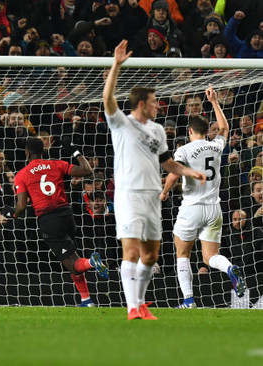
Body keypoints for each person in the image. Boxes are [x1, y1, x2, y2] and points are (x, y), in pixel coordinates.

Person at [103, 40, 207, 320]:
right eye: (153, 102)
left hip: (152, 195)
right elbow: (108, 99)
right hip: (128, 194)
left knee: (150, 257)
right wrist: (116, 65)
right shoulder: (121, 122)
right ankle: (132, 307)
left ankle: (140, 303)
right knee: (132, 251)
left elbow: (167, 162)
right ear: (141, 104)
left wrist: (189, 172)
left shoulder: (159, 131)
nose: (158, 106)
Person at [160, 84, 246, 309]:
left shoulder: (184, 150)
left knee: (182, 253)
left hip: (192, 207)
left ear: (190, 131)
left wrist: (164, 192)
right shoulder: (215, 146)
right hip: (214, 209)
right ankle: (229, 268)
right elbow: (225, 129)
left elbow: (174, 174)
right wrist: (215, 102)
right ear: (208, 131)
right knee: (210, 257)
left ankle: (188, 300)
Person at [14, 137, 109, 308]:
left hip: (49, 220)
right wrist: (75, 151)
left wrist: (13, 215)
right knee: (73, 257)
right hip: (67, 215)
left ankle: (92, 263)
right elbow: (87, 170)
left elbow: (21, 205)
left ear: (27, 153)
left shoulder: (22, 174)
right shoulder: (56, 164)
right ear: (43, 151)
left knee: (73, 263)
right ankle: (86, 300)